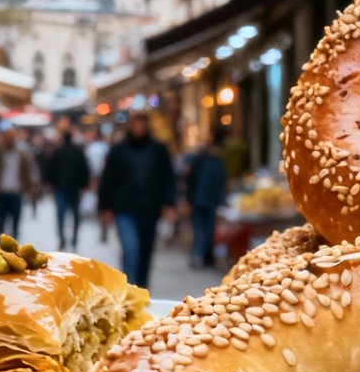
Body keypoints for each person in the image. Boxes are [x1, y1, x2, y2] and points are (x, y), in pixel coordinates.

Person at [98, 113, 175, 288]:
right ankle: (130, 289)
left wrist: (169, 203)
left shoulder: (158, 150)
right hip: (124, 209)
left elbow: (168, 178)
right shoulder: (118, 150)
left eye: (142, 123)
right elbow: (108, 179)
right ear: (129, 125)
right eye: (135, 123)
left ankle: (142, 287)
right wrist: (104, 207)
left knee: (146, 252)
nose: (139, 127)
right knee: (131, 248)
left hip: (150, 208)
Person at [184, 129, 231, 269]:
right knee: (207, 229)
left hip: (201, 199)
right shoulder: (217, 161)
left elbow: (191, 180)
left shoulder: (199, 159)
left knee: (201, 228)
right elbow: (222, 181)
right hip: (209, 200)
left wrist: (189, 199)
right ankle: (204, 256)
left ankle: (199, 255)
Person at [0, 128, 39, 240]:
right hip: (1, 193)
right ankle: (0, 245)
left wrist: (31, 187)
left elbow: (29, 171)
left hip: (16, 193)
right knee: (0, 223)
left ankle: (13, 245)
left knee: (15, 224)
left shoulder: (22, 154)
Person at [46, 129, 92, 251]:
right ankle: (74, 240)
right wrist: (83, 186)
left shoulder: (58, 151)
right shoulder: (78, 152)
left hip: (61, 188)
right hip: (75, 189)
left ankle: (62, 239)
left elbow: (51, 169)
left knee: (61, 216)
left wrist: (52, 185)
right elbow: (84, 169)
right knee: (75, 216)